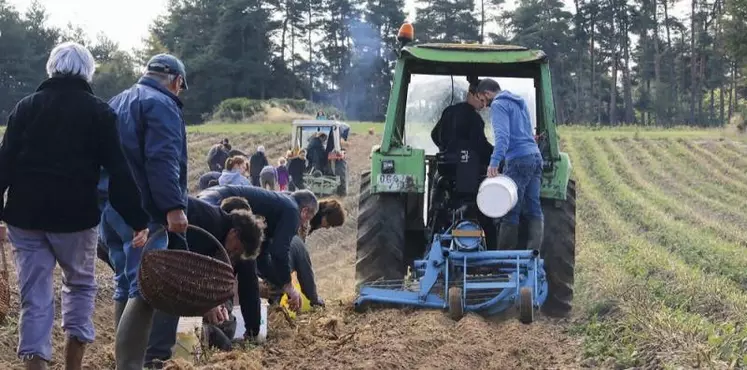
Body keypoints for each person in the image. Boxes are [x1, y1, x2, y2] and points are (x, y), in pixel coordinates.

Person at [0, 42, 150, 370]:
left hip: (26, 218)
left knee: (35, 298)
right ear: (87, 72)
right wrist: (138, 219)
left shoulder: (26, 107)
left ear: (51, 68)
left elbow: (4, 162)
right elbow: (119, 170)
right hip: (76, 219)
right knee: (80, 288)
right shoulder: (99, 113)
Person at [104, 53, 190, 370]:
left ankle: (124, 363)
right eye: (182, 87)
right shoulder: (161, 104)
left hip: (111, 209)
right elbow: (162, 159)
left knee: (125, 285)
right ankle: (129, 366)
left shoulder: (118, 100)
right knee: (146, 288)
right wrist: (173, 207)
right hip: (144, 214)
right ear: (176, 80)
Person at [196, 186, 318, 339]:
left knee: (240, 265)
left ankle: (222, 321)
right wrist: (288, 285)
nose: (303, 225)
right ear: (305, 211)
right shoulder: (292, 211)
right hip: (214, 203)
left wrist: (253, 330)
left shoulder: (275, 213)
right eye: (308, 219)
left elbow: (261, 263)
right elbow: (279, 251)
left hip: (210, 196)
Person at [475, 78, 543, 251]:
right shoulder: (519, 102)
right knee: (534, 208)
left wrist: (494, 163)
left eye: (483, 100)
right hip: (535, 157)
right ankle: (533, 255)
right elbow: (527, 132)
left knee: (509, 209)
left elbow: (503, 138)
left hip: (518, 160)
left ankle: (503, 259)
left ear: (487, 93)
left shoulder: (498, 105)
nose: (484, 105)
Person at [431, 80, 494, 172]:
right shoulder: (474, 118)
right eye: (482, 100)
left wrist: (445, 151)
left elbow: (434, 135)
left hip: (445, 168)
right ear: (471, 94)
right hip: (467, 170)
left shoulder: (449, 111)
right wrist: (496, 154)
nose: (484, 105)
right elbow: (480, 146)